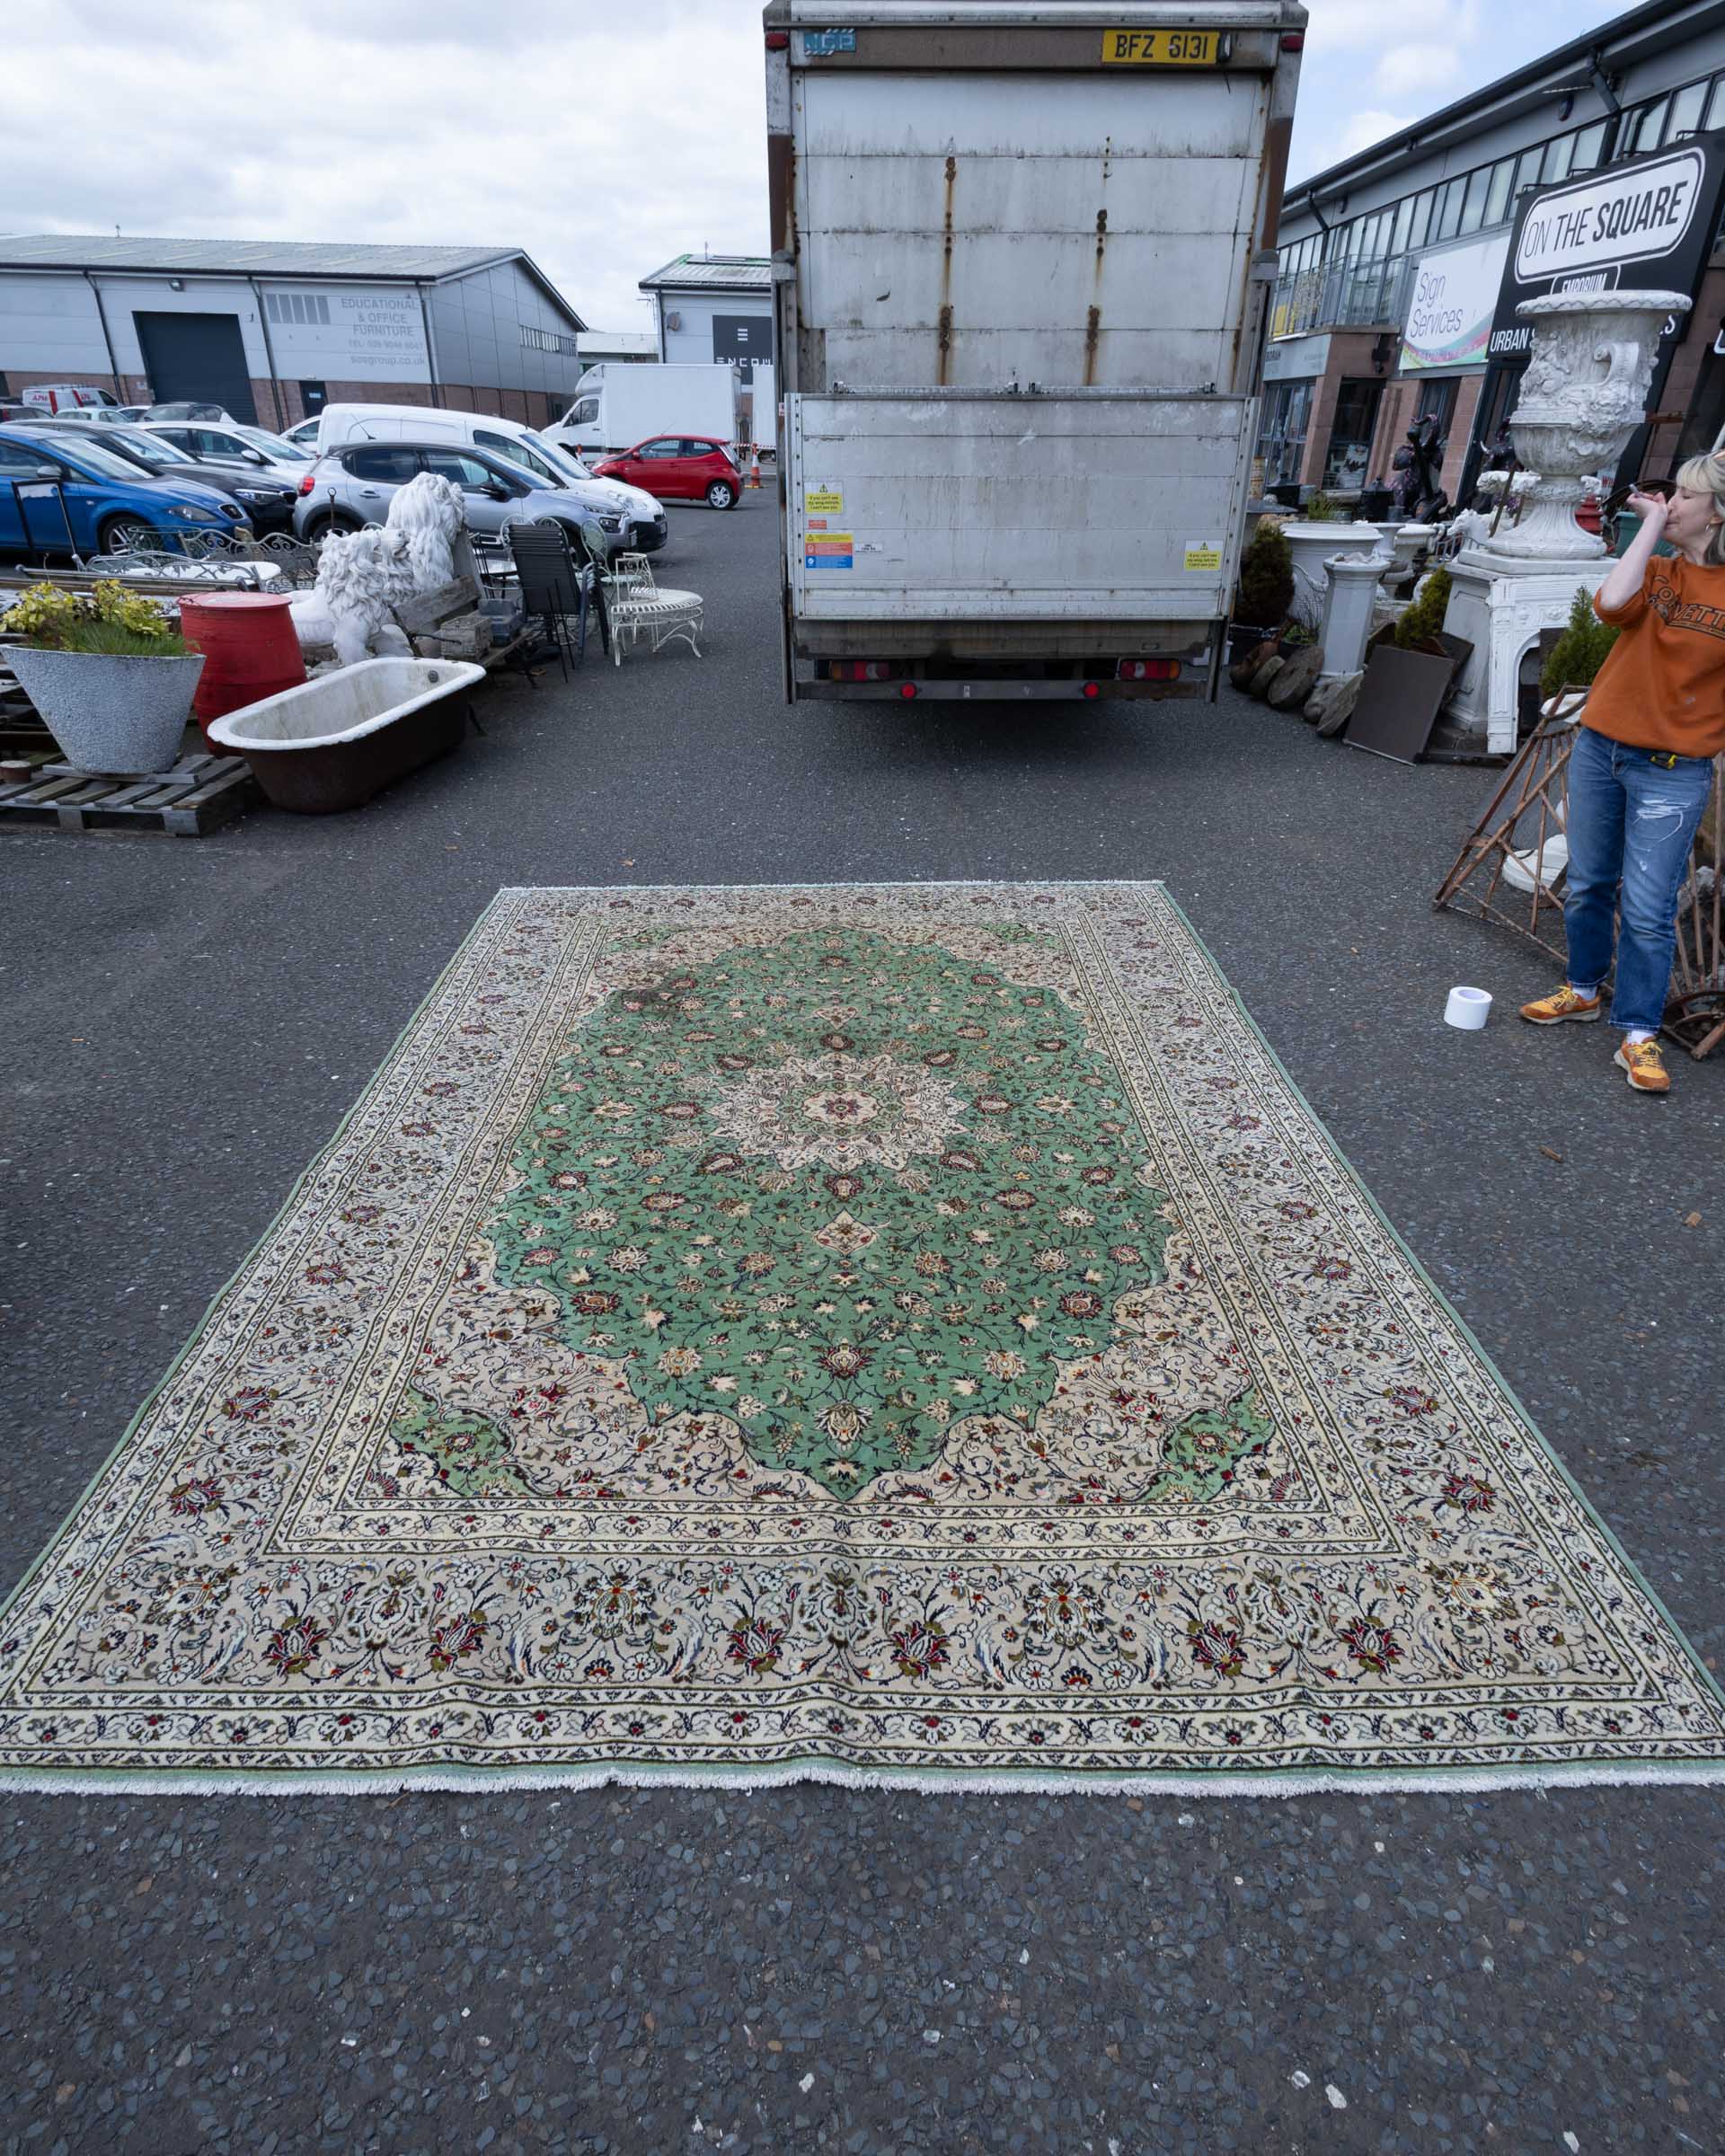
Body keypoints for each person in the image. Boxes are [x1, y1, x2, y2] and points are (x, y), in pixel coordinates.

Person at [1519, 456, 1725, 1091]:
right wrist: (1651, 528)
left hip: (1674, 770)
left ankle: (1637, 1034)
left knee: (1646, 908)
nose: (1670, 502)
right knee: (1587, 883)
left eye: (1683, 496)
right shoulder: (1656, 569)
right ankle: (1582, 989)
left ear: (1716, 512)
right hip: (1601, 748)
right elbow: (1609, 604)